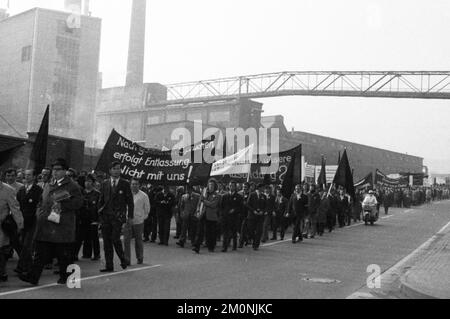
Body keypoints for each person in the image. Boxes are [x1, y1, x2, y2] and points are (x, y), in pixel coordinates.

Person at [18, 158, 83, 286]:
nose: (55, 172)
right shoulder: (49, 184)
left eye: (58, 170)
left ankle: (65, 276)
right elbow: (42, 200)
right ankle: (33, 277)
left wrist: (62, 205)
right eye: (54, 169)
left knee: (62, 255)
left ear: (65, 171)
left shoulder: (72, 186)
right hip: (46, 224)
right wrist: (39, 211)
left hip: (61, 225)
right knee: (40, 254)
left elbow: (79, 203)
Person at [97, 161, 134, 273]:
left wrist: (130, 217)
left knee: (115, 239)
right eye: (115, 168)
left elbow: (130, 202)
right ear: (110, 170)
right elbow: (101, 200)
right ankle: (109, 265)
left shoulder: (125, 183)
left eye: (119, 168)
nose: (117, 170)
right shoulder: (104, 183)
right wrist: (99, 214)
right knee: (107, 241)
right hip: (106, 216)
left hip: (118, 216)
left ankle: (123, 259)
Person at [15, 169, 43, 274]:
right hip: (22, 220)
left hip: (33, 220)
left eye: (29, 175)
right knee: (22, 244)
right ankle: (29, 265)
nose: (27, 177)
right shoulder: (21, 190)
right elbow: (16, 204)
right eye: (25, 175)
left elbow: (40, 204)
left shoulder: (38, 190)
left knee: (27, 244)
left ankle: (21, 266)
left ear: (34, 176)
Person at [0, 181, 23, 283]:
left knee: (0, 250)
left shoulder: (8, 190)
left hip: (1, 225)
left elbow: (15, 209)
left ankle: (2, 272)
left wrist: (20, 224)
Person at [124, 178, 150, 265]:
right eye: (133, 184)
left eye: (136, 184)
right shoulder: (126, 194)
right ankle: (127, 259)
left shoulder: (144, 196)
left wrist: (142, 218)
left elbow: (147, 209)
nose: (134, 185)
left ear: (139, 185)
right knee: (126, 240)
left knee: (138, 240)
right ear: (130, 185)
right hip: (127, 221)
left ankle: (140, 257)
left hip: (138, 221)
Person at [193, 180, 221, 253]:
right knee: (199, 231)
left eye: (212, 185)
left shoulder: (217, 195)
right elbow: (199, 203)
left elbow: (213, 205)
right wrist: (198, 211)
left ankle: (211, 246)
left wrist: (204, 201)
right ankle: (197, 246)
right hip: (203, 214)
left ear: (215, 187)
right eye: (210, 185)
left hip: (211, 216)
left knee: (210, 233)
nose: (211, 186)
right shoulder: (204, 193)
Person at [79, 174, 101, 261]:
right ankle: (86, 254)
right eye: (86, 181)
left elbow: (99, 208)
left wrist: (98, 220)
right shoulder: (81, 193)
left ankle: (96, 254)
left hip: (93, 218)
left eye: (89, 181)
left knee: (94, 237)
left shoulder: (97, 194)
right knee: (83, 236)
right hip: (83, 217)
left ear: (93, 183)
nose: (87, 183)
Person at [220, 181, 243, 252]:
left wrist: (234, 210)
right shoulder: (225, 196)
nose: (231, 187)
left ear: (235, 187)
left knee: (233, 232)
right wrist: (223, 214)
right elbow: (221, 206)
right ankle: (224, 247)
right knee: (225, 233)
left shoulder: (239, 196)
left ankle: (234, 246)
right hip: (226, 217)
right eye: (230, 186)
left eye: (233, 186)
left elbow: (240, 207)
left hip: (234, 217)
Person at [246, 183, 267, 251]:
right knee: (251, 230)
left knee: (259, 231)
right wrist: (253, 211)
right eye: (263, 188)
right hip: (252, 215)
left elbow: (266, 206)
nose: (264, 189)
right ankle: (252, 239)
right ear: (259, 188)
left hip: (260, 217)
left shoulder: (264, 196)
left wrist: (262, 211)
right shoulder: (252, 194)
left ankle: (256, 245)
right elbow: (248, 204)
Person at [238, 182, 251, 248]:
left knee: (243, 228)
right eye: (243, 186)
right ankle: (246, 238)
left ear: (248, 188)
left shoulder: (251, 195)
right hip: (239, 213)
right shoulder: (239, 193)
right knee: (239, 229)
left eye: (245, 187)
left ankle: (241, 243)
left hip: (247, 214)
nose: (244, 188)